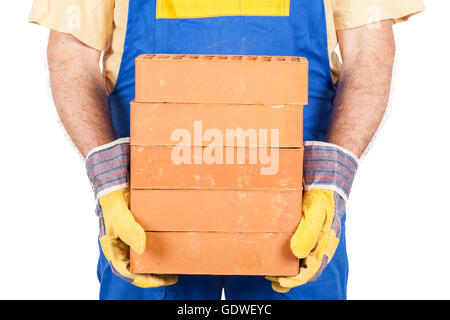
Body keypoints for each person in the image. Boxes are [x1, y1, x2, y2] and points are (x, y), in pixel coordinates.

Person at [29, 0, 425, 300]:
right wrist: (109, 182)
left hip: (299, 216)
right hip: (145, 220)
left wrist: (332, 182)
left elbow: (369, 50)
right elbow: (72, 55)